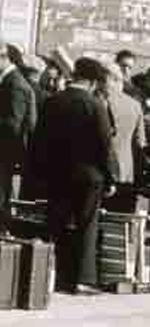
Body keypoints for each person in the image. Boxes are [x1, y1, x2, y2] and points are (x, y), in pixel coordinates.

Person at [33, 57, 118, 294]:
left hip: (57, 173)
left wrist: (40, 172)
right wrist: (111, 177)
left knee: (55, 221)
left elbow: (39, 140)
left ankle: (48, 274)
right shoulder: (94, 105)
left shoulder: (53, 101)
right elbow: (105, 145)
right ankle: (82, 280)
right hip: (89, 176)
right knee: (86, 226)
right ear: (92, 82)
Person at [100, 60, 145, 213]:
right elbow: (140, 142)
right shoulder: (135, 105)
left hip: (99, 169)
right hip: (125, 171)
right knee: (117, 221)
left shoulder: (97, 103)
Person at [0, 40, 35, 211]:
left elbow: (14, 123)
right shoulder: (9, 80)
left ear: (4, 58)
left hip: (6, 151)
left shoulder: (14, 84)